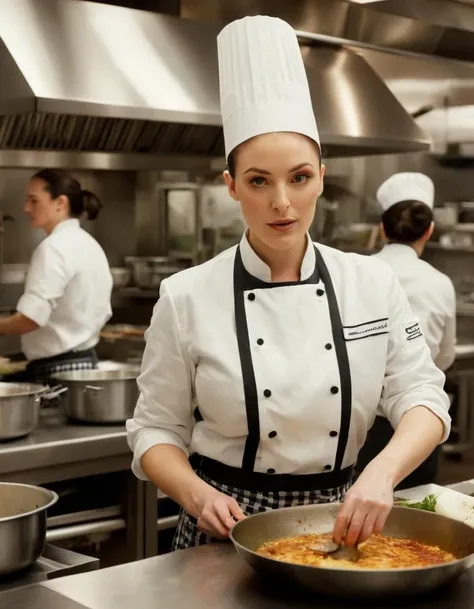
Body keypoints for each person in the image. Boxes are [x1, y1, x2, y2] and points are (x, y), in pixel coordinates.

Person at [127, 16, 450, 551]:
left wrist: (381, 473)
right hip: (224, 530)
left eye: (299, 177)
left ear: (321, 176)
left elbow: (422, 395)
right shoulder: (185, 296)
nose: (282, 202)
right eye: (258, 181)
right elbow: (154, 429)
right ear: (232, 186)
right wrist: (193, 494)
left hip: (344, 521)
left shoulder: (372, 282)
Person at [357, 173, 456, 489]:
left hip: (357, 424)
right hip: (418, 424)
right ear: (429, 231)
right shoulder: (440, 283)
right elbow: (444, 357)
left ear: (382, 229)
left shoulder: (356, 274)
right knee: (416, 520)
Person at [0, 169, 113, 382]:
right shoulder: (90, 244)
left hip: (57, 371)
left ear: (60, 203)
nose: (26, 209)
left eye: (33, 201)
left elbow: (30, 319)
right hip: (85, 363)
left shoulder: (52, 248)